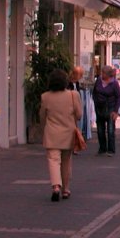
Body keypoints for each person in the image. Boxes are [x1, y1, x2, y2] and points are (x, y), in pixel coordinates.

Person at [40, 68, 82, 201]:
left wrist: (44, 128)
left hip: (52, 132)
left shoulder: (45, 96)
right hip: (68, 133)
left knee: (53, 160)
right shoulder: (73, 95)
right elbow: (79, 115)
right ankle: (66, 189)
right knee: (66, 161)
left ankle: (56, 186)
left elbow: (42, 116)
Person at [92, 65, 120, 156]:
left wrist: (116, 111)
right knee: (100, 129)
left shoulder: (114, 83)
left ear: (108, 74)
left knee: (110, 129)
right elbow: (94, 92)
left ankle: (111, 150)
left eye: (103, 73)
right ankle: (102, 148)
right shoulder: (98, 81)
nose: (101, 74)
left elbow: (118, 97)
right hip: (100, 107)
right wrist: (96, 101)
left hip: (110, 107)